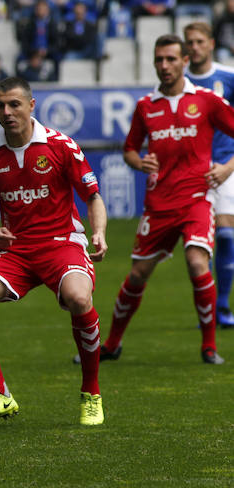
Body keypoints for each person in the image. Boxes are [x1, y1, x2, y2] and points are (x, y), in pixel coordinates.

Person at [0, 76, 107, 426]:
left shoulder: (60, 146)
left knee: (79, 299)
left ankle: (91, 394)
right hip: (17, 252)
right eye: (0, 106)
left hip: (61, 245)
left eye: (14, 105)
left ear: (31, 105)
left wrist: (98, 232)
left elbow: (93, 197)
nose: (7, 113)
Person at [98, 34, 234, 366]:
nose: (164, 66)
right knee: (137, 275)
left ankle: (208, 347)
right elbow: (130, 148)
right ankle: (112, 345)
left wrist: (227, 168)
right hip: (158, 205)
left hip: (197, 199)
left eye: (171, 59)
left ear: (185, 60)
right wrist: (138, 162)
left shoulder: (206, 100)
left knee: (196, 263)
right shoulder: (146, 106)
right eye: (159, 60)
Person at [184, 22, 234, 328]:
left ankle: (223, 306)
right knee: (202, 245)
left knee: (228, 235)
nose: (195, 47)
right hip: (194, 173)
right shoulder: (178, 81)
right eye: (190, 42)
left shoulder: (228, 77)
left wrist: (230, 166)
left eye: (200, 41)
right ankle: (209, 304)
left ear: (211, 43)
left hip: (226, 167)